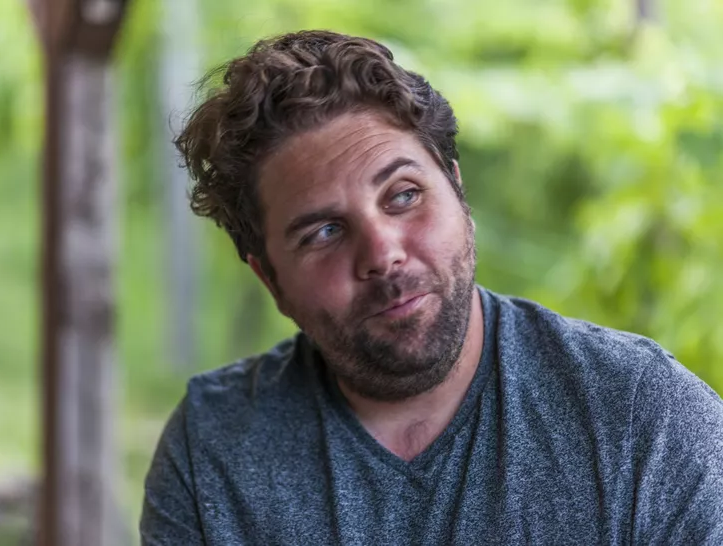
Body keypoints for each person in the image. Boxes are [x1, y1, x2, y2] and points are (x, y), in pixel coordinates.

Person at [140, 30, 723, 545]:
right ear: (270, 279)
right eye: (324, 232)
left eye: (404, 195)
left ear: (458, 193)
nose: (382, 254)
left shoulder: (644, 419)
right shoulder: (213, 452)